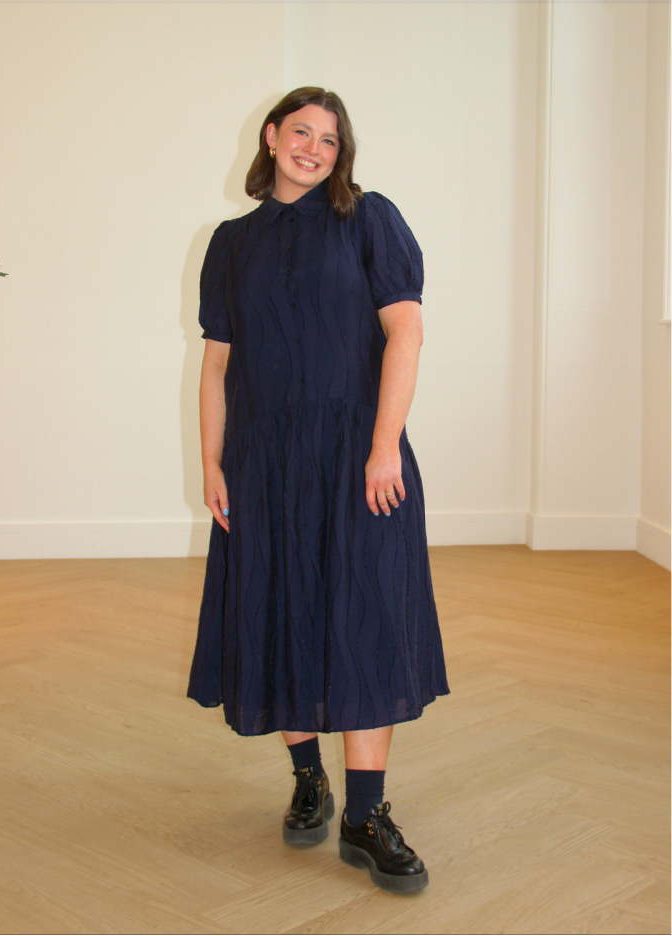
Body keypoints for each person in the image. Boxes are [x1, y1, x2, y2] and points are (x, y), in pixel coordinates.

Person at [187, 87, 449, 895]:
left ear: (343, 153)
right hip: (263, 461)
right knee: (279, 610)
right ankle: (309, 777)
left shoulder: (370, 221)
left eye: (330, 139)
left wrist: (382, 447)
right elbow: (218, 365)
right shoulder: (231, 243)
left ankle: (366, 816)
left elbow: (405, 330)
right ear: (270, 137)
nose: (314, 147)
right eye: (300, 131)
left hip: (355, 454)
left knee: (365, 618)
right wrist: (212, 463)